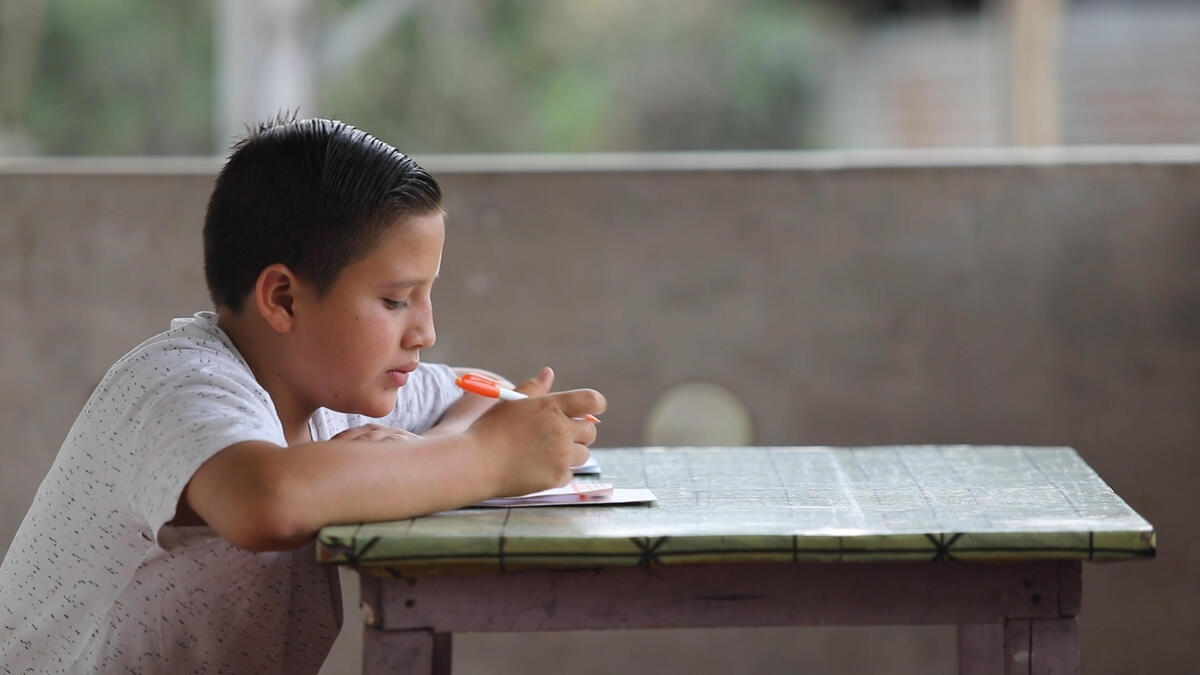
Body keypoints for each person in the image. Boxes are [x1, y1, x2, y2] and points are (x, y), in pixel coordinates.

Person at [0, 117, 605, 673]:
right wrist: (486, 460)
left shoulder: (337, 387)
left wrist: (432, 445)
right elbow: (268, 501)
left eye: (426, 296)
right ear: (284, 299)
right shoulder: (178, 385)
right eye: (396, 300)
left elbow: (487, 394)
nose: (425, 330)